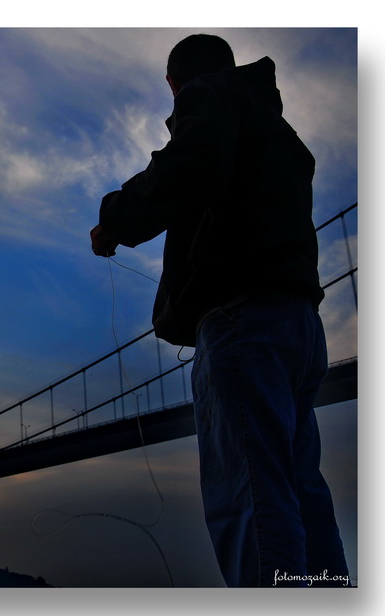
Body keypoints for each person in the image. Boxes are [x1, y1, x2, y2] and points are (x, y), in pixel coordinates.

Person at [90, 34, 350, 587]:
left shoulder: (209, 96)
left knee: (249, 494)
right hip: (299, 326)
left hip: (240, 322)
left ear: (172, 82)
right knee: (301, 492)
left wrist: (115, 218)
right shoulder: (281, 134)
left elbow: (188, 165)